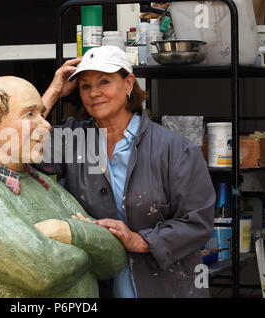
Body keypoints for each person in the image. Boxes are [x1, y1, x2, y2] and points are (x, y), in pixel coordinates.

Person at [37, 45, 216, 298]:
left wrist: (139, 241)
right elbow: (15, 146)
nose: (94, 93)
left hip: (165, 287)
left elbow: (198, 222)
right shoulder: (75, 140)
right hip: (100, 285)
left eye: (104, 82)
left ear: (129, 83)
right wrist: (54, 90)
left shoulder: (173, 148)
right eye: (85, 86)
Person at [0, 76, 127, 297]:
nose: (46, 125)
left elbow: (115, 257)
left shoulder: (37, 180)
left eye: (41, 113)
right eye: (30, 114)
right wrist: (90, 242)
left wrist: (68, 231)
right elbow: (44, 272)